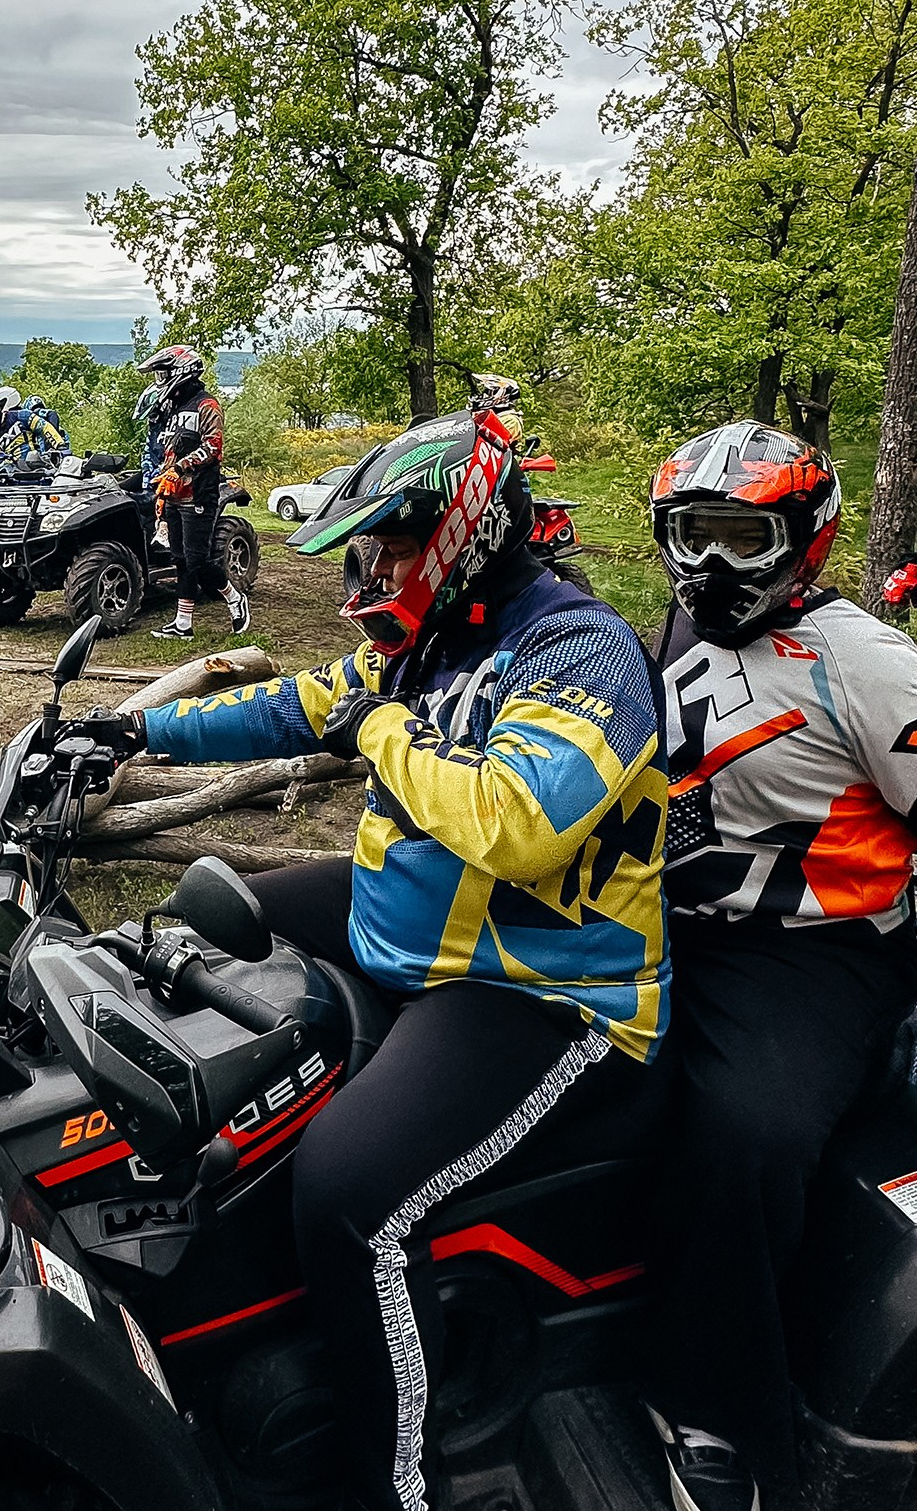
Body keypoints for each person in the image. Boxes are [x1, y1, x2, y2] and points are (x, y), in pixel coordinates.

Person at [78, 411, 672, 1511]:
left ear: (465, 531)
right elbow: (300, 702)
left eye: (391, 547)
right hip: (413, 926)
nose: (371, 572)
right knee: (186, 922)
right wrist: (131, 733)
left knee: (350, 1192)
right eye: (366, 551)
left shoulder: (580, 648)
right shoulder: (433, 633)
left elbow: (517, 819)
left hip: (530, 979)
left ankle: (391, 1480)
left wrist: (379, 730)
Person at [641, 421, 917, 1511]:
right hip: (681, 921)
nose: (708, 565)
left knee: (742, 1137)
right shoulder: (673, 628)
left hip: (819, 948)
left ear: (804, 539)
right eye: (690, 534)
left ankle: (722, 1414)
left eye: (738, 539)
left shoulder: (868, 659)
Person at [137, 343, 249, 639]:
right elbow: (166, 449)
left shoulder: (206, 405)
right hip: (172, 493)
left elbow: (214, 446)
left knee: (197, 559)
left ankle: (234, 597)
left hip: (199, 492)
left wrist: (181, 468)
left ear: (182, 370)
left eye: (163, 374)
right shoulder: (172, 409)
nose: (159, 380)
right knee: (181, 560)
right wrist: (159, 476)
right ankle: (183, 623)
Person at [0, 388, 66, 464]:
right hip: (9, 467)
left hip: (33, 463)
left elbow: (45, 427)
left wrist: (60, 445)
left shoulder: (22, 415)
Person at [467, 373, 524, 445]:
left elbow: (495, 444)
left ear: (501, 396)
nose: (483, 395)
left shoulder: (511, 420)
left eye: (487, 392)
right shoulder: (483, 415)